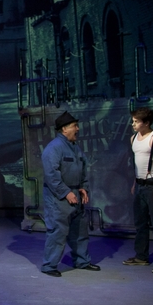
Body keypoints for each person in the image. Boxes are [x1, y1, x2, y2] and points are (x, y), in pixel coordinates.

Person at [41, 111, 100, 277]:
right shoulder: (53, 148)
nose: (78, 129)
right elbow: (51, 175)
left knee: (80, 231)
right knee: (58, 231)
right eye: (75, 126)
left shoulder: (75, 148)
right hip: (58, 198)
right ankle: (49, 266)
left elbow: (82, 169)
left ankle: (82, 261)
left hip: (76, 195)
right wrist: (66, 193)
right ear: (64, 129)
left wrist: (83, 188)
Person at [123, 107, 153, 274]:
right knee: (140, 224)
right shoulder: (133, 138)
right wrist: (134, 183)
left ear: (146, 123)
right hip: (139, 185)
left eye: (136, 121)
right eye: (133, 121)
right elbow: (138, 164)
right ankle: (141, 256)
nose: (133, 124)